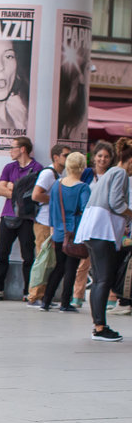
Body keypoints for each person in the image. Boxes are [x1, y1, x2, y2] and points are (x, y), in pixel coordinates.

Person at [75, 140, 132, 342]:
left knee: (100, 279)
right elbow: (116, 202)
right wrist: (130, 213)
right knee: (103, 279)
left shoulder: (110, 173)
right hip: (102, 230)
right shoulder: (120, 173)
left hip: (94, 229)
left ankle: (99, 325)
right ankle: (99, 327)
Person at [0, 136, 42, 301]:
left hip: (26, 217)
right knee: (2, 252)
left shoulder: (37, 168)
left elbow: (33, 194)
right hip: (8, 215)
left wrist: (13, 187)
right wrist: (18, 192)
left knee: (28, 255)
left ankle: (28, 291)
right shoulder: (9, 167)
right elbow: (0, 190)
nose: (10, 151)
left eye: (12, 147)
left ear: (22, 149)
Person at [41, 151, 90, 313]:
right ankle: (65, 302)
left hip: (58, 232)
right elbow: (85, 211)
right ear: (82, 167)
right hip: (74, 233)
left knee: (59, 266)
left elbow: (53, 208)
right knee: (71, 268)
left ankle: (46, 300)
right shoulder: (83, 188)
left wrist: (54, 228)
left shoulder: (57, 185)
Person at [27, 143, 69, 306]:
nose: (67, 158)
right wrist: (56, 201)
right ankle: (34, 296)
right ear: (56, 157)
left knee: (49, 261)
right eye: (65, 155)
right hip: (44, 221)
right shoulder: (48, 173)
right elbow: (36, 195)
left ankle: (43, 295)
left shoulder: (58, 174)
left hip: (51, 222)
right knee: (42, 259)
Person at [72, 141, 112, 308]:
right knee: (83, 262)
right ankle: (77, 296)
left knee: (105, 263)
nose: (102, 159)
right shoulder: (87, 173)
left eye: (106, 156)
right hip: (86, 221)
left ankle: (110, 297)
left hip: (104, 223)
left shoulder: (112, 175)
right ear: (94, 157)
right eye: (100, 156)